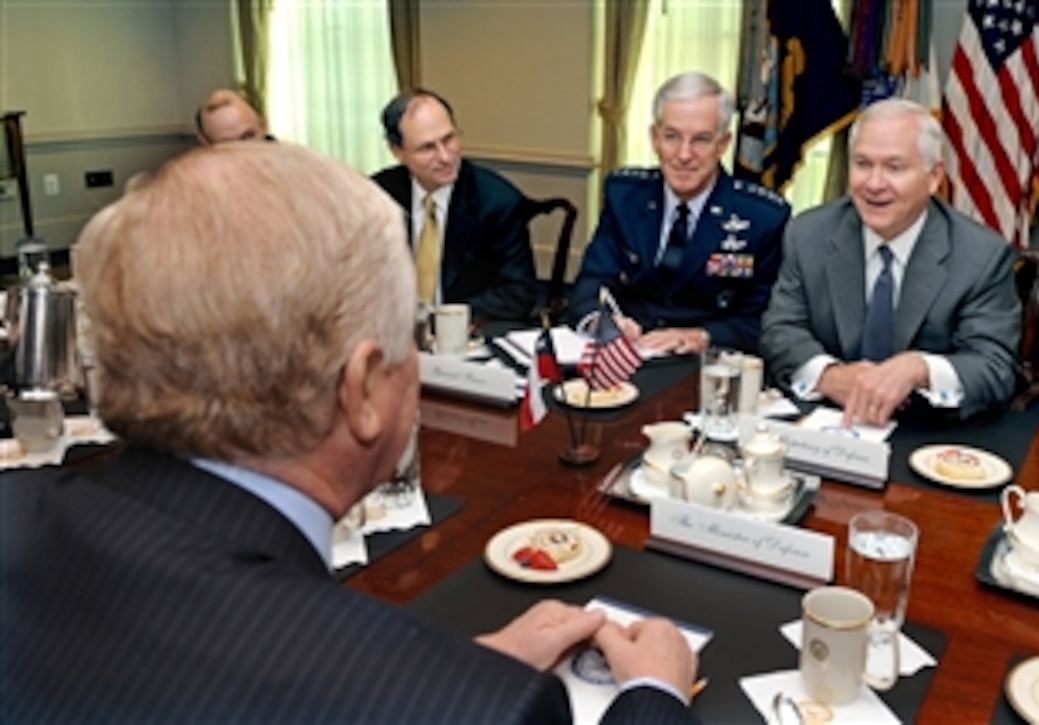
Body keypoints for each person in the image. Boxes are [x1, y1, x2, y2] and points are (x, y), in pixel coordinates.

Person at [0, 142, 699, 723]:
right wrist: (653, 695)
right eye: (407, 340)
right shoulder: (485, 708)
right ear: (363, 388)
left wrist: (458, 663)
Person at [759, 98, 1021, 426]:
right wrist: (830, 375)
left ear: (934, 176)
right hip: (828, 428)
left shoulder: (980, 254)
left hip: (928, 436)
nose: (874, 184)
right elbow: (780, 330)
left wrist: (919, 368)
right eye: (863, 164)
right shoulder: (809, 233)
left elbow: (994, 367)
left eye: (894, 167)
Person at [568, 71, 789, 354]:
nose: (684, 155)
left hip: (708, 364)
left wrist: (703, 336)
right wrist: (601, 322)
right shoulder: (624, 196)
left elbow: (764, 320)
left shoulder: (763, 217)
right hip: (626, 353)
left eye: (701, 140)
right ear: (654, 138)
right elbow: (592, 281)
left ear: (722, 144)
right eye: (671, 137)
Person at [373, 88, 537, 322]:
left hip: (463, 337)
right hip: (389, 332)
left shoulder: (498, 202)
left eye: (449, 139)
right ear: (398, 152)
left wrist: (439, 319)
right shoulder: (377, 196)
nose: (445, 157)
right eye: (427, 148)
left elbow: (517, 294)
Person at [195, 88, 272, 144]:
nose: (242, 152)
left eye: (248, 137)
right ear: (206, 143)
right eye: (227, 145)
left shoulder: (282, 162)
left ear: (263, 126)